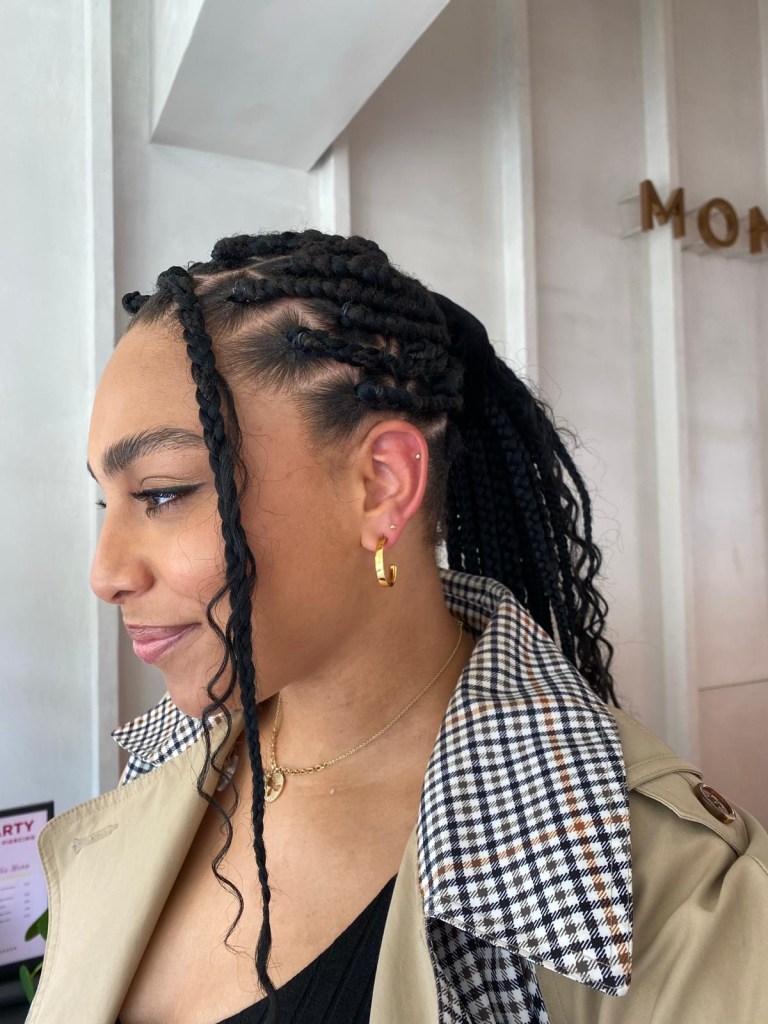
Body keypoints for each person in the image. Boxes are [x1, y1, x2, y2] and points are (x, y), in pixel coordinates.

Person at [27, 230, 768, 1024]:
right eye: (108, 501)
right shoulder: (166, 769)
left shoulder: (678, 899)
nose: (106, 573)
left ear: (381, 486)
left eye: (162, 493)